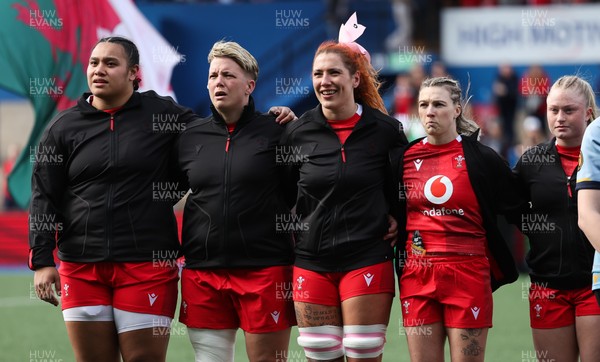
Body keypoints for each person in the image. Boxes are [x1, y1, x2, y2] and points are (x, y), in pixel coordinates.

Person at [29, 36, 295, 362]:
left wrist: (273, 120)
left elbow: (221, 133)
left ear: (133, 73)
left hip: (147, 265)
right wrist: (42, 260)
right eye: (94, 63)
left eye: (111, 63)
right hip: (81, 266)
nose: (99, 70)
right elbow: (44, 195)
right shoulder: (63, 127)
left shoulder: (163, 115)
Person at [282, 19, 408, 361]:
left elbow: (401, 188)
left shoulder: (386, 131)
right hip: (311, 261)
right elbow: (280, 193)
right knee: (322, 354)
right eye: (318, 73)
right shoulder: (296, 133)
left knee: (362, 351)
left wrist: (397, 219)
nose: (325, 81)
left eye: (334, 73)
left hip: (367, 257)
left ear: (355, 78)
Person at [176, 41, 297, 362]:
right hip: (203, 273)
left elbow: (303, 193)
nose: (219, 81)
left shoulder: (279, 132)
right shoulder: (190, 137)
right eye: (213, 75)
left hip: (265, 271)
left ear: (250, 85)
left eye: (228, 75)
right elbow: (162, 193)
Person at [393, 76, 519, 362]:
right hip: (417, 274)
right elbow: (389, 206)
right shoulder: (404, 158)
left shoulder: (483, 159)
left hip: (468, 273)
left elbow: (518, 206)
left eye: (439, 104)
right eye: (423, 104)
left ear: (457, 110)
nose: (429, 111)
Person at [514, 75, 600, 362]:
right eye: (553, 110)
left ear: (588, 112)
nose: (559, 117)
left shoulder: (597, 158)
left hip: (594, 282)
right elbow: (509, 207)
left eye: (568, 110)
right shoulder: (531, 162)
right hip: (547, 286)